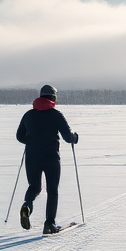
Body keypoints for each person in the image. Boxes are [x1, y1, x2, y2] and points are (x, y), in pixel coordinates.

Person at [16, 84, 78, 234]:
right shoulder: (56, 115)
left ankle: (27, 205)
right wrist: (75, 137)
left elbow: (19, 136)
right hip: (51, 158)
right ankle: (49, 223)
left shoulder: (28, 115)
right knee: (52, 191)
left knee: (35, 187)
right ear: (53, 98)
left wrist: (32, 141)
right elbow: (67, 136)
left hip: (32, 157)